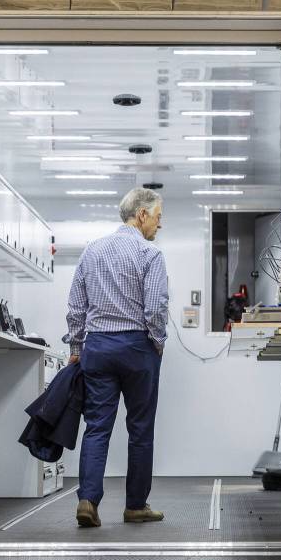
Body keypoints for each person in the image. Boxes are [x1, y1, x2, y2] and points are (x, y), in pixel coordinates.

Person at [65, 187, 169, 528]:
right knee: (140, 429)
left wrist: (76, 348)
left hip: (97, 347)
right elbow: (155, 310)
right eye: (157, 216)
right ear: (141, 215)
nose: (159, 224)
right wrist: (157, 343)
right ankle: (135, 506)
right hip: (137, 347)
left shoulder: (92, 251)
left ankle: (87, 500)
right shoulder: (149, 254)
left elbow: (76, 307)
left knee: (97, 427)